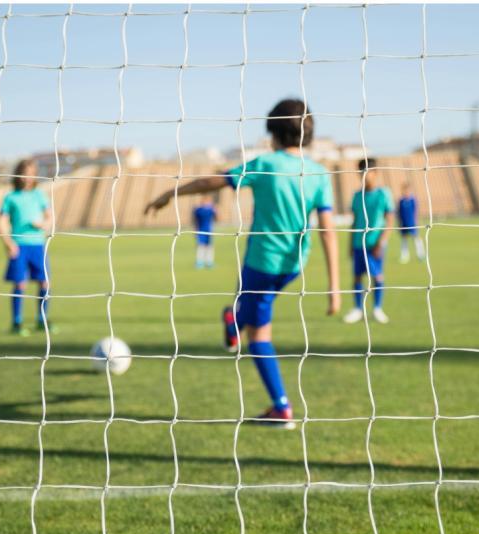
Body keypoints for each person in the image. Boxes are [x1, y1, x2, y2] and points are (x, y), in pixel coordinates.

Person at [145, 98, 341, 429]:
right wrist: (335, 287)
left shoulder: (265, 164)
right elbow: (328, 232)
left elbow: (213, 181)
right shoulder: (318, 173)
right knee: (249, 307)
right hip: (294, 266)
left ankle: (281, 408)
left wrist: (171, 193)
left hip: (262, 263)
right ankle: (233, 318)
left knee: (259, 335)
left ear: (272, 132)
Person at [0, 159, 55, 336]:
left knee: (44, 282)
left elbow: (50, 216)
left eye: (30, 173)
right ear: (17, 175)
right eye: (23, 173)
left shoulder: (39, 195)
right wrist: (8, 243)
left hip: (38, 244)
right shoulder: (10, 197)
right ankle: (17, 323)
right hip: (19, 246)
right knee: (20, 284)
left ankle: (41, 320)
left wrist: (44, 225)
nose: (27, 177)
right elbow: (0, 221)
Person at [343, 158, 394, 325]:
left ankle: (377, 308)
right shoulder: (357, 196)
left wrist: (382, 242)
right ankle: (358, 309)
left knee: (377, 277)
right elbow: (354, 220)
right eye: (361, 173)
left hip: (375, 245)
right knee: (357, 277)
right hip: (359, 244)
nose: (364, 176)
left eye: (367, 172)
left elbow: (390, 220)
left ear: (376, 173)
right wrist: (350, 244)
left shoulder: (383, 194)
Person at [398, 182, 425, 263]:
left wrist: (416, 221)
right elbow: (399, 213)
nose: (406, 192)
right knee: (404, 240)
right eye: (404, 190)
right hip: (404, 224)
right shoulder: (401, 201)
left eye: (407, 190)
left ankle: (421, 255)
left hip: (412, 223)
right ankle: (404, 257)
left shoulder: (412, 200)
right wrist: (399, 223)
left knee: (416, 239)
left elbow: (416, 211)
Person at [192, 194, 218, 269]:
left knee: (209, 246)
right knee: (200, 246)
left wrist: (216, 210)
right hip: (200, 231)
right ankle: (199, 262)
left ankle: (209, 262)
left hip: (209, 231)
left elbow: (217, 218)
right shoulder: (198, 210)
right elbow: (195, 221)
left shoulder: (211, 210)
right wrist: (195, 230)